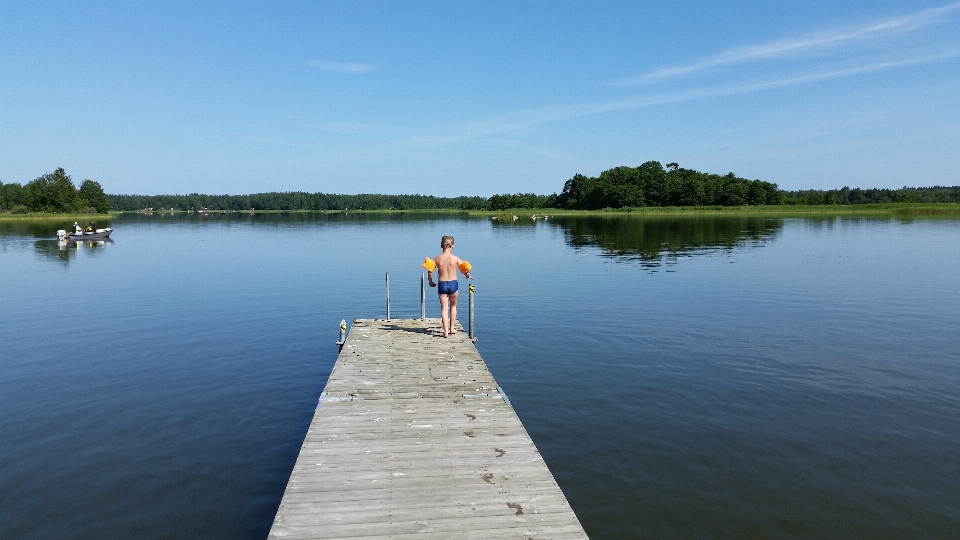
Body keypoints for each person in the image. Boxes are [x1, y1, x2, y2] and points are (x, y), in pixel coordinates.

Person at [427, 235, 473, 338]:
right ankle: (452, 328)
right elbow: (463, 269)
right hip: (453, 284)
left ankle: (445, 331)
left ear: (441, 245)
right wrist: (467, 275)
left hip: (442, 284)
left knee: (444, 309)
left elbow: (430, 271)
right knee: (453, 307)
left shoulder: (437, 258)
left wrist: (430, 281)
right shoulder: (455, 258)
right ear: (452, 246)